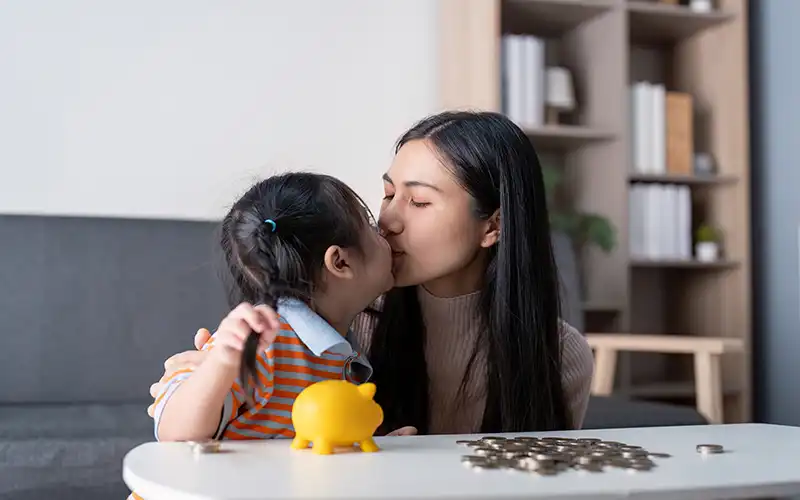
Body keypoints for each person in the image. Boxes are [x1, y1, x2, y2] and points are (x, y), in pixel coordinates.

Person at [148, 110, 595, 435]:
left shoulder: (560, 354)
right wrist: (209, 376)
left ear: (493, 226)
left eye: (419, 202)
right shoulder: (343, 320)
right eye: (387, 194)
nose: (389, 221)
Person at [151, 172, 394, 444]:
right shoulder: (260, 342)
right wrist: (222, 363)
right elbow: (175, 434)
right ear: (340, 262)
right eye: (370, 224)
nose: (385, 230)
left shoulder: (340, 348)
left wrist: (381, 444)